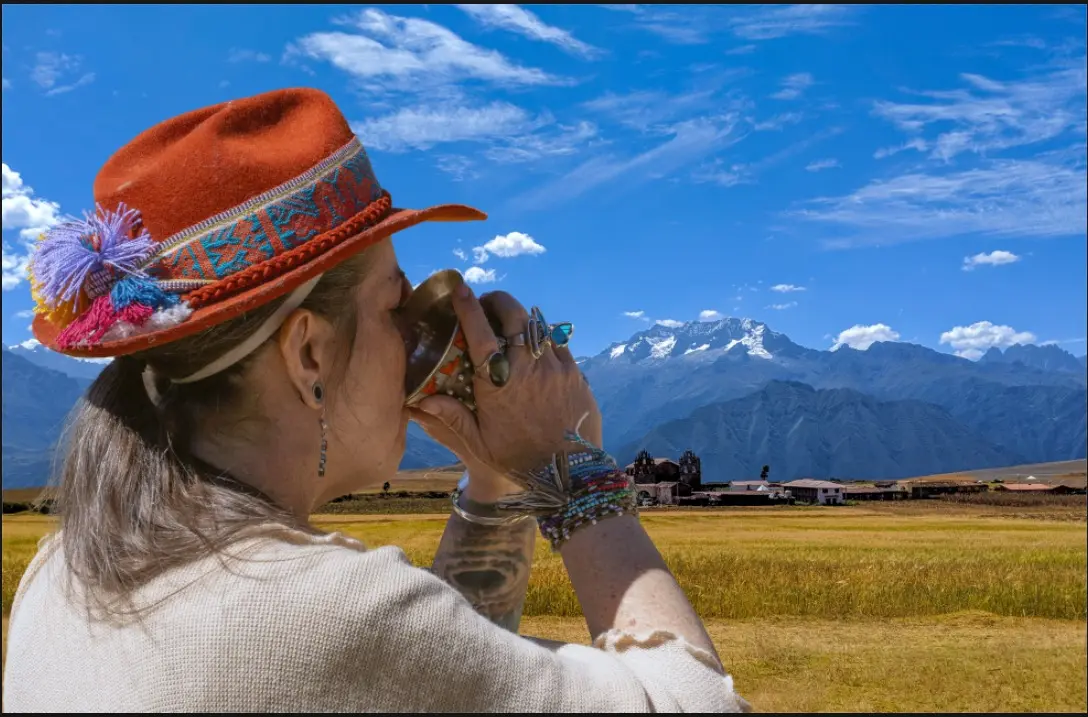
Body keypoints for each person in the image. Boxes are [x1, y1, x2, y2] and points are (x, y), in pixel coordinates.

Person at [2, 88, 750, 713]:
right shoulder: (318, 614)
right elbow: (694, 700)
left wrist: (495, 482)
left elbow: (439, 675)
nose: (418, 336)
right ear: (310, 355)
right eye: (397, 310)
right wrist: (566, 463)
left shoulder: (61, 574)